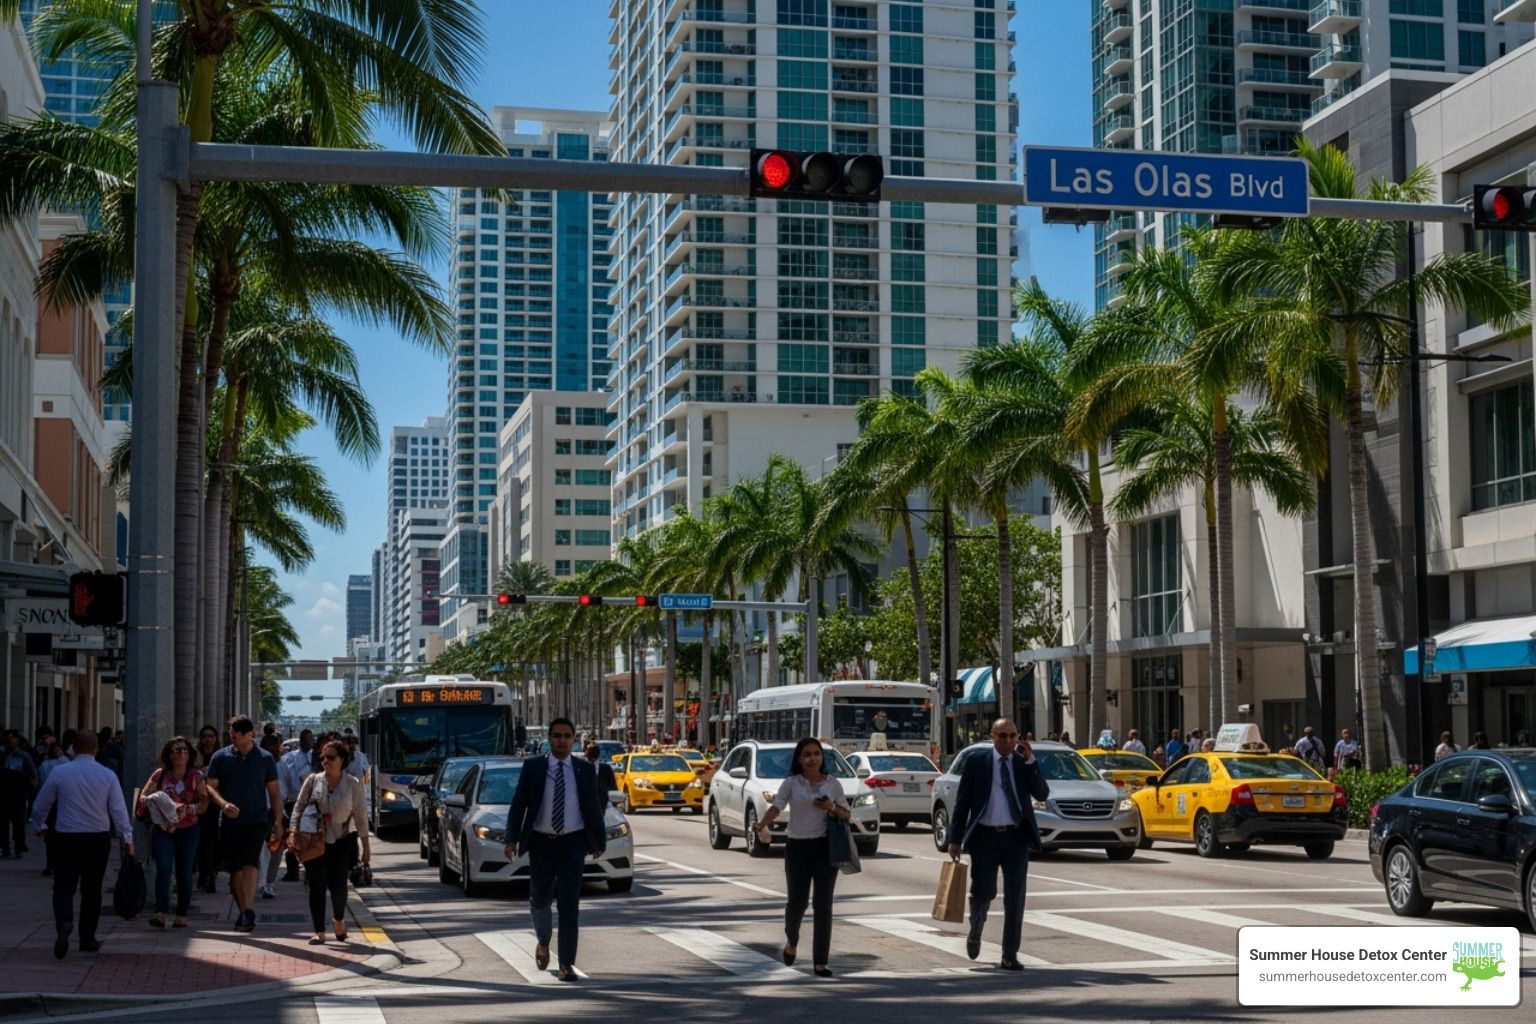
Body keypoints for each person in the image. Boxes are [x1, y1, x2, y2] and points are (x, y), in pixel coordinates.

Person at [503, 717, 607, 982]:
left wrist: (599, 841)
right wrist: (511, 838)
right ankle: (543, 940)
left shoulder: (584, 770)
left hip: (573, 843)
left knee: (569, 904)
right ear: (549, 738)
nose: (562, 741)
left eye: (567, 736)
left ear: (574, 740)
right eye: (557, 736)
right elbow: (519, 804)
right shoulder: (534, 767)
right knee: (539, 900)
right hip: (541, 842)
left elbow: (593, 806)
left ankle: (566, 964)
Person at [947, 718, 1050, 972]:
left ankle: (1009, 954)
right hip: (985, 837)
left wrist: (1031, 762)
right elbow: (962, 802)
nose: (1008, 741)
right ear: (992, 737)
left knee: (1015, 897)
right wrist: (955, 839)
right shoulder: (977, 761)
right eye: (1003, 736)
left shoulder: (1022, 763)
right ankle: (976, 927)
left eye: (1013, 736)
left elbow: (1042, 793)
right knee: (983, 892)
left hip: (1016, 837)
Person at [28, 731, 133, 958]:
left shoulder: (60, 772)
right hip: (97, 838)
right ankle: (87, 938)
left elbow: (40, 805)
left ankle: (64, 922)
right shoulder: (107, 775)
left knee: (63, 886)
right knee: (92, 889)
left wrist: (40, 825)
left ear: (73, 748)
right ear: (97, 749)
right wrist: (127, 839)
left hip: (67, 836)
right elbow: (118, 810)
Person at [754, 737, 851, 978]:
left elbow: (846, 814)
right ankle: (792, 940)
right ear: (799, 759)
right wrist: (762, 824)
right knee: (797, 903)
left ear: (822, 757)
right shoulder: (791, 783)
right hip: (797, 848)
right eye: (807, 754)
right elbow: (777, 806)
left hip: (825, 848)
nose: (812, 759)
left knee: (823, 904)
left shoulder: (833, 784)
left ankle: (820, 963)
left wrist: (830, 807)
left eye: (816, 754)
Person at [205, 715, 283, 933]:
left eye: (238, 734)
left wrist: (278, 821)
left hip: (256, 820)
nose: (234, 738)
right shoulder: (221, 757)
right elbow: (210, 786)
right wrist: (223, 804)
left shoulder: (264, 758)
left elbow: (274, 792)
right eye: (232, 734)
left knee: (250, 864)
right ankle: (243, 912)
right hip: (230, 822)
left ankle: (247, 911)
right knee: (235, 871)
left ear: (251, 734)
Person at [288, 740, 370, 945]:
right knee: (316, 884)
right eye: (323, 758)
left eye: (331, 757)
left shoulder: (353, 783)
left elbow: (360, 816)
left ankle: (339, 920)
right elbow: (298, 808)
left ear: (342, 759)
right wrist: (293, 832)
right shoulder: (313, 781)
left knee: (338, 885)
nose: (326, 761)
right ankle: (319, 931)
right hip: (315, 840)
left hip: (342, 840)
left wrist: (366, 847)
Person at [136, 736, 209, 928]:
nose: (181, 753)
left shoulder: (196, 776)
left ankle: (181, 914)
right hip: (163, 830)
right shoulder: (160, 775)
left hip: (188, 829)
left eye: (184, 750)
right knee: (164, 868)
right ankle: (160, 912)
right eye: (177, 750)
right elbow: (144, 796)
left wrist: (188, 809)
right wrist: (157, 802)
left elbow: (204, 803)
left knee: (184, 872)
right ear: (169, 755)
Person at [279, 730, 316, 881]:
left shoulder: (317, 757)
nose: (308, 742)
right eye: (305, 739)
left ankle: (311, 870)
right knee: (292, 836)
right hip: (294, 802)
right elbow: (284, 780)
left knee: (310, 837)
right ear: (300, 741)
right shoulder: (289, 758)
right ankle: (292, 869)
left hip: (313, 803)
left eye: (310, 739)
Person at [2, 729, 37, 857]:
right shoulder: (2, 754)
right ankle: (5, 847)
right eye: (6, 740)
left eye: (11, 739)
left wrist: (28, 785)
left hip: (18, 794)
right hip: (3, 793)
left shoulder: (23, 756)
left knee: (18, 822)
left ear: (17, 740)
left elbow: (32, 773)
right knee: (3, 823)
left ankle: (18, 847)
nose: (9, 743)